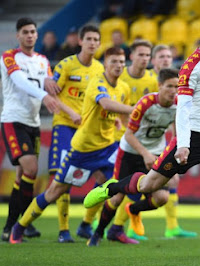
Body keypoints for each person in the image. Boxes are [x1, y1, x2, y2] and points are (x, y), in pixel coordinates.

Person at [84, 12, 200, 261]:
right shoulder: (190, 67)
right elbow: (183, 110)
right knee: (149, 185)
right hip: (193, 138)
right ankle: (111, 188)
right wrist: (183, 145)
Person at [9, 47, 134, 244]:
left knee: (118, 187)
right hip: (82, 150)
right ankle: (20, 226)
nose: (118, 66)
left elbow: (121, 114)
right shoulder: (97, 83)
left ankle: (94, 230)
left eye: (121, 62)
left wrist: (120, 122)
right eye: (114, 62)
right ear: (106, 64)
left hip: (107, 148)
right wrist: (137, 108)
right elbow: (107, 105)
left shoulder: (124, 88)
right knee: (54, 191)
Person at [88, 68, 187, 245]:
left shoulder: (178, 104)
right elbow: (128, 135)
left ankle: (132, 210)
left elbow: (177, 133)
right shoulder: (146, 103)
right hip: (130, 153)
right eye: (169, 86)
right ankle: (97, 233)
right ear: (160, 86)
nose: (174, 91)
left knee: (162, 198)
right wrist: (145, 154)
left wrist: (169, 153)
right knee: (117, 197)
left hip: (154, 153)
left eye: (177, 87)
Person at [115, 41, 196, 240]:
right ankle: (101, 225)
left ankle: (171, 226)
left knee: (161, 186)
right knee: (118, 188)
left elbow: (173, 123)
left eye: (169, 57)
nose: (166, 60)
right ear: (154, 61)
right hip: (128, 140)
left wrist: (173, 148)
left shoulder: (174, 89)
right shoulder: (150, 85)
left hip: (153, 144)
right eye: (162, 57)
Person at [0, 17, 60, 242]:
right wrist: (45, 95)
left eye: (33, 31)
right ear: (18, 35)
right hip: (13, 121)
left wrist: (55, 89)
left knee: (22, 176)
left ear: (37, 34)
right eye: (25, 32)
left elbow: (50, 83)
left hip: (34, 122)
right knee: (31, 168)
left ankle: (17, 225)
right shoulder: (9, 57)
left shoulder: (43, 60)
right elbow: (19, 81)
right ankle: (15, 225)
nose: (29, 35)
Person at [48, 25, 104, 243]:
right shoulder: (66, 65)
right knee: (64, 178)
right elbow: (52, 94)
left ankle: (86, 224)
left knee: (103, 177)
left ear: (99, 43)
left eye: (96, 39)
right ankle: (63, 230)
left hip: (89, 130)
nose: (92, 42)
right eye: (88, 38)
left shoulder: (100, 69)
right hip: (65, 126)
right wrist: (71, 112)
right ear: (80, 41)